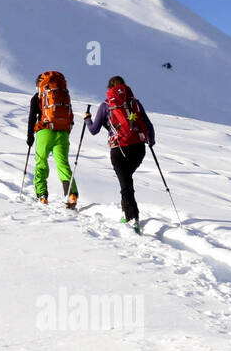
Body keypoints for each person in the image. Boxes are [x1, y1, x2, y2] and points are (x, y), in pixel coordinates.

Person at [86, 75, 156, 231]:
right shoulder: (135, 103)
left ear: (109, 88)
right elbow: (148, 124)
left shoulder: (106, 105)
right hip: (139, 148)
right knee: (127, 181)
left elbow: (93, 130)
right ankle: (128, 214)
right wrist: (150, 142)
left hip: (119, 149)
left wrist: (87, 119)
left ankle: (132, 218)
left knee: (125, 184)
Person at [27, 70, 78, 208]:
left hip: (45, 132)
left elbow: (32, 117)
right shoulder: (63, 94)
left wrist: (30, 136)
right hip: (62, 132)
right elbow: (70, 115)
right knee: (63, 164)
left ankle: (42, 195)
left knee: (41, 163)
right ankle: (71, 194)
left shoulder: (38, 97)